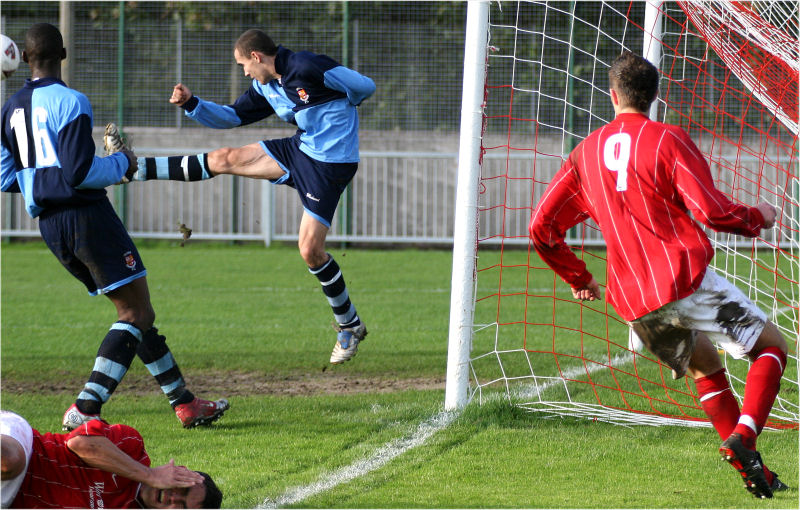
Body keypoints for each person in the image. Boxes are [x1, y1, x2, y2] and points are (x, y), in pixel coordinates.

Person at [528, 52, 789, 499]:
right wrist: (758, 216)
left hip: (635, 303)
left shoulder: (584, 153)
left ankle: (755, 474)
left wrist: (577, 276)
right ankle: (744, 437)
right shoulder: (667, 139)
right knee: (774, 347)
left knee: (707, 365)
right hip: (684, 282)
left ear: (612, 96)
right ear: (653, 96)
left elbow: (541, 227)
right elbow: (712, 211)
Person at [0, 23, 229, 431]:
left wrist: (41, 179)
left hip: (50, 226)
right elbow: (80, 172)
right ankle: (86, 406)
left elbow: (5, 177)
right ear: (63, 54)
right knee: (135, 311)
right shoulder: (71, 100)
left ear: (25, 61)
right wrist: (124, 163)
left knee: (138, 315)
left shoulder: (9, 109)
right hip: (86, 217)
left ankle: (185, 403)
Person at [105, 28, 376, 364]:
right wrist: (192, 104)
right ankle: (133, 168)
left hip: (331, 164)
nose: (244, 72)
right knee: (225, 158)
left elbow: (365, 86)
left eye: (242, 65)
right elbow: (232, 117)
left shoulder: (306, 66)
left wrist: (347, 102)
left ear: (256, 57)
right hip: (301, 149)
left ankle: (349, 325)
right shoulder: (266, 86)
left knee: (310, 250)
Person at [0, 410, 222, 508]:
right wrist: (149, 475)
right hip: (26, 450)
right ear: (178, 472)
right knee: (11, 461)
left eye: (181, 508)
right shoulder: (132, 446)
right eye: (181, 489)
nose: (173, 498)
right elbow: (80, 443)